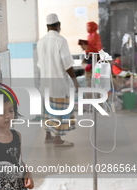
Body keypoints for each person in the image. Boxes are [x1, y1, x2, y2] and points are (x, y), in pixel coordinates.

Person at [37, 13, 80, 147]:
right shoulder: (60, 40)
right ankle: (57, 139)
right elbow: (67, 63)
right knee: (60, 111)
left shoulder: (41, 42)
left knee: (48, 111)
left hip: (46, 84)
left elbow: (40, 64)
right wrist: (75, 81)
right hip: (59, 84)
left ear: (47, 27)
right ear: (59, 25)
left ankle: (48, 136)